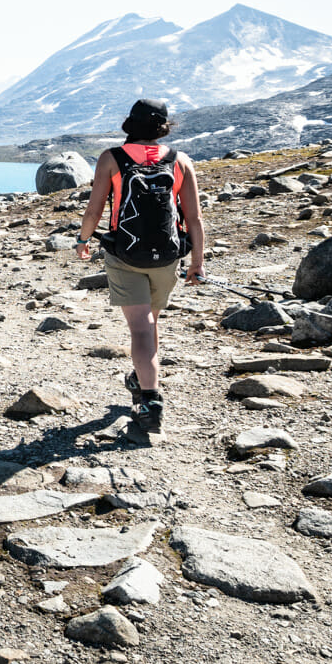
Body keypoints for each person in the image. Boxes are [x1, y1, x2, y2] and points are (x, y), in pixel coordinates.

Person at [72, 98, 205, 433]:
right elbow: (194, 218)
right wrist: (197, 264)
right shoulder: (180, 160)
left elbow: (94, 210)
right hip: (168, 257)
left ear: (129, 124)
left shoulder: (112, 158)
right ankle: (141, 376)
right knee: (150, 323)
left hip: (126, 256)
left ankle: (150, 400)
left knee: (141, 328)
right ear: (163, 127)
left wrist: (83, 240)